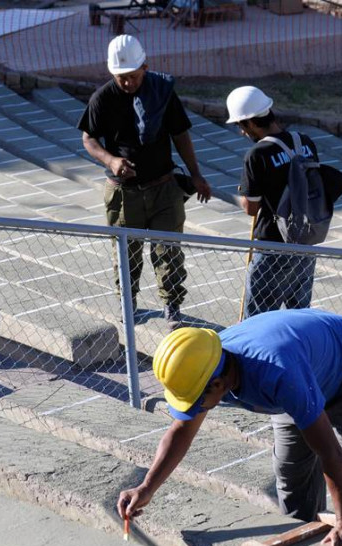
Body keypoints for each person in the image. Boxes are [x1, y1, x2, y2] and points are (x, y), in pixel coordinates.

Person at [117, 309, 342, 546]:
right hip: (302, 374)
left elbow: (329, 452)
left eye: (194, 401)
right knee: (291, 469)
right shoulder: (208, 362)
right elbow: (180, 431)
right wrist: (146, 487)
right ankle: (302, 545)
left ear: (218, 384)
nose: (193, 409)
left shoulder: (277, 372)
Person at [78, 35, 211, 330]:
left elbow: (180, 135)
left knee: (169, 250)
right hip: (124, 192)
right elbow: (88, 138)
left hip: (164, 187)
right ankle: (129, 302)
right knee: (127, 253)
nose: (127, 83)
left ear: (145, 68)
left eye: (133, 77)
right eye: (121, 78)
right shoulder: (102, 99)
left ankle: (172, 305)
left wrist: (197, 174)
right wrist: (111, 161)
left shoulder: (162, 92)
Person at [226, 86, 319, 319]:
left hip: (271, 246)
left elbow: (252, 208)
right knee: (298, 315)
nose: (241, 132)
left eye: (241, 126)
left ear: (249, 123)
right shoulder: (305, 143)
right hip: (305, 242)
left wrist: (239, 197)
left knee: (258, 318)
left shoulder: (257, 155)